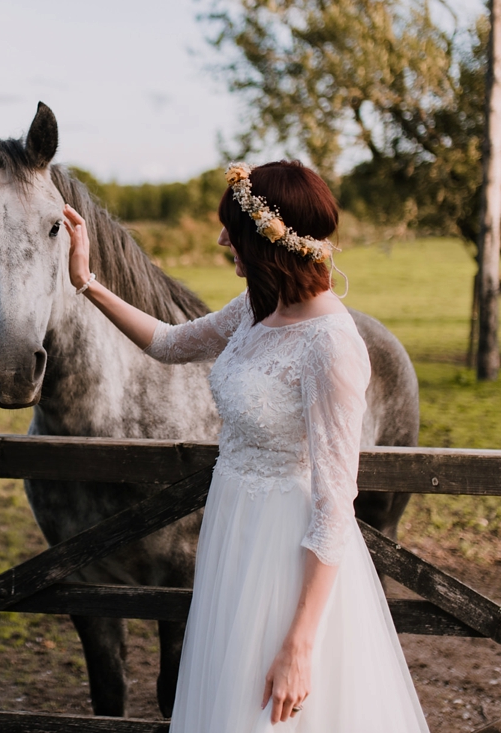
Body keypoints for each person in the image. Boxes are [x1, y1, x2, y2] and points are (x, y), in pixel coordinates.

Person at [62, 161, 428, 732]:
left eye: (231, 228)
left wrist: (301, 645)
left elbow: (335, 507)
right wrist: (85, 281)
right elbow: (168, 343)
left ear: (267, 238)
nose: (219, 239)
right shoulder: (257, 309)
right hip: (233, 535)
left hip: (284, 555)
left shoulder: (331, 346)